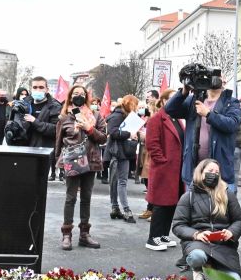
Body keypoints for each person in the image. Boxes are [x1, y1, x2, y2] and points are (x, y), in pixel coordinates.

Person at [171, 159, 241, 280]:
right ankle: (198, 269)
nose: (214, 174)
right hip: (198, 243)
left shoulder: (227, 194)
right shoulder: (188, 196)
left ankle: (212, 267)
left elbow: (239, 220)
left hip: (223, 245)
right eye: (210, 171)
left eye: (217, 172)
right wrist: (196, 234)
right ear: (200, 172)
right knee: (197, 257)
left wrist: (231, 232)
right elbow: (178, 225)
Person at [165, 72, 241, 195]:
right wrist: (184, 91)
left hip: (220, 171)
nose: (213, 79)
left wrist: (208, 114)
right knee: (193, 211)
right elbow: (170, 109)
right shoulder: (194, 100)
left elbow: (232, 124)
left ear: (224, 81)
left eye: (218, 75)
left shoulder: (231, 102)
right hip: (194, 170)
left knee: (220, 212)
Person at [54, 85, 108, 250]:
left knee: (86, 197)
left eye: (82, 94)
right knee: (70, 198)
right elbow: (58, 143)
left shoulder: (96, 116)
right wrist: (59, 162)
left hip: (91, 162)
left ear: (86, 97)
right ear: (70, 97)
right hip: (72, 161)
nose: (79, 96)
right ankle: (66, 234)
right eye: (75, 93)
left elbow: (103, 139)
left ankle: (84, 234)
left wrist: (89, 129)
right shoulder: (64, 118)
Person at [145, 89, 183, 251]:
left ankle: (163, 235)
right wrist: (163, 162)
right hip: (164, 168)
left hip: (175, 168)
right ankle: (153, 238)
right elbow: (152, 144)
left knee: (171, 203)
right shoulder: (157, 119)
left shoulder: (176, 119)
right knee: (160, 203)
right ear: (165, 100)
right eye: (173, 98)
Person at [106, 95, 139, 223]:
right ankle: (125, 209)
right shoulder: (118, 116)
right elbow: (112, 132)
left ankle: (115, 208)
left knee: (116, 182)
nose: (136, 108)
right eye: (135, 105)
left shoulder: (121, 115)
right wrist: (129, 134)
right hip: (118, 153)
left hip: (121, 152)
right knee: (121, 182)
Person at [24, 77, 62, 152]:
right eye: (35, 87)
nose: (38, 90)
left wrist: (35, 122)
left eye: (41, 87)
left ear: (47, 90)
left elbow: (56, 130)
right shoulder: (24, 104)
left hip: (45, 151)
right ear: (30, 89)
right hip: (25, 149)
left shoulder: (55, 106)